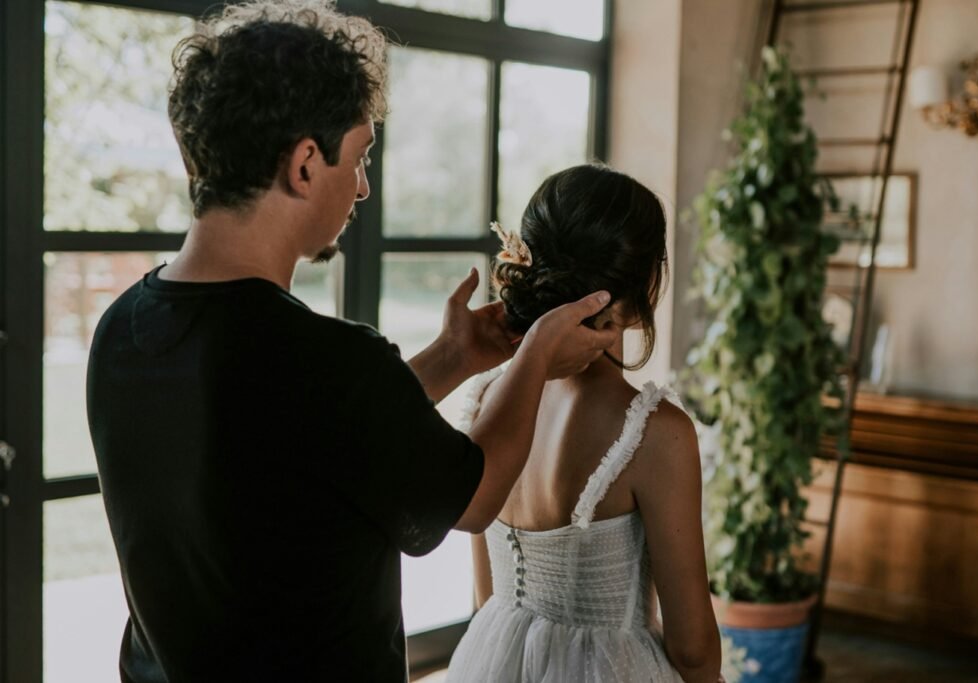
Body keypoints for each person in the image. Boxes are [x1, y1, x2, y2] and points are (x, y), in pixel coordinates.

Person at [85, 2, 617, 682]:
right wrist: (538, 352)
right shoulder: (327, 361)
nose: (363, 186)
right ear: (305, 163)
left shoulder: (122, 328)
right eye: (361, 155)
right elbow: (476, 496)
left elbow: (298, 440)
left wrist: (455, 358)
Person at [446, 164, 725, 682]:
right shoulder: (655, 432)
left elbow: (486, 597)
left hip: (490, 660)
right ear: (644, 284)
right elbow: (692, 649)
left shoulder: (485, 400)